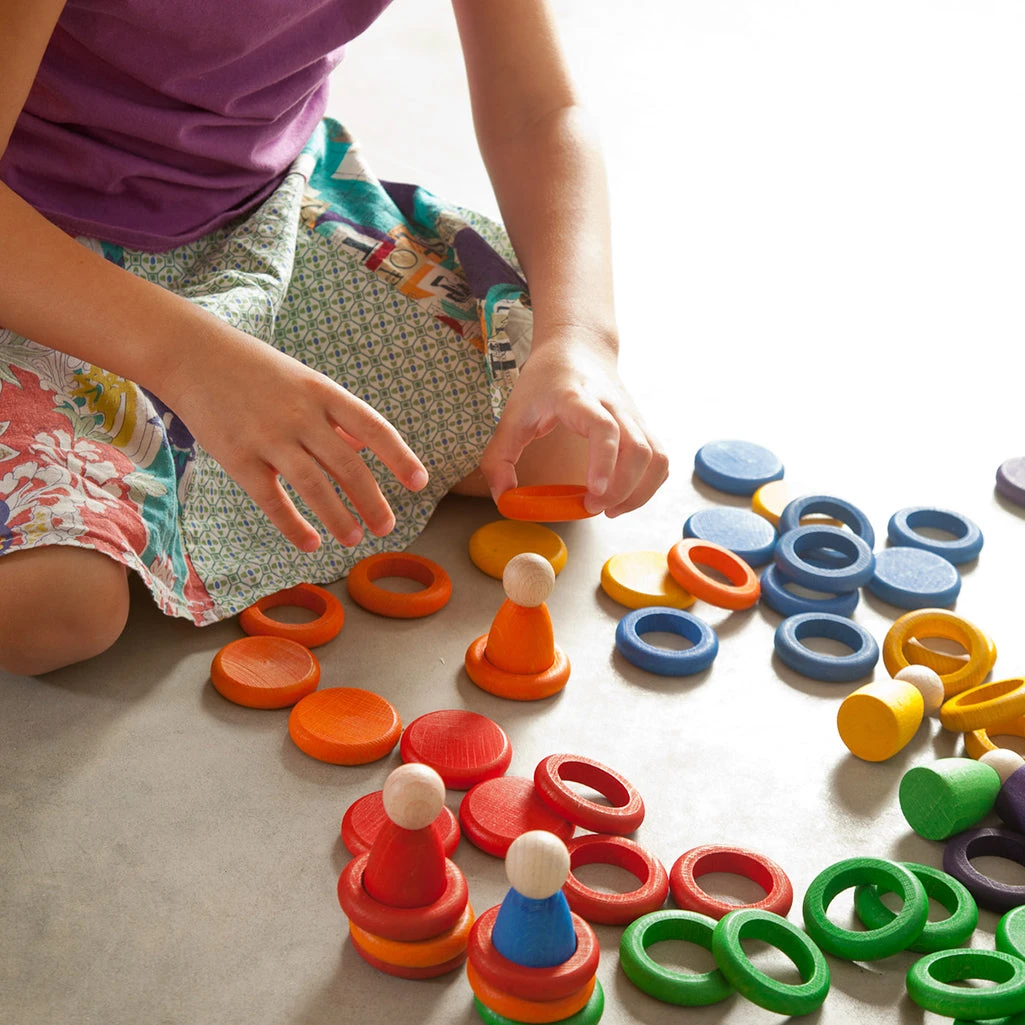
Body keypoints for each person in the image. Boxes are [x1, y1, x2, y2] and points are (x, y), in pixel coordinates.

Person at [0, 0, 669, 676]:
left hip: (265, 214)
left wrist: (579, 337)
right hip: (39, 258)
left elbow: (538, 111)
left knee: (558, 444)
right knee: (52, 605)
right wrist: (193, 357)